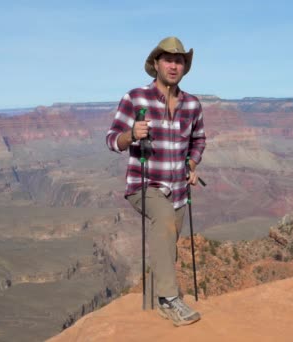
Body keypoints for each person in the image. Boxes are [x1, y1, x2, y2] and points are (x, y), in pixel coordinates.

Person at [105, 36, 206, 326]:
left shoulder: (192, 105)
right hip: (145, 184)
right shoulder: (135, 98)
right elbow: (111, 140)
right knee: (162, 223)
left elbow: (198, 140)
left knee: (168, 244)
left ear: (185, 66)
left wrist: (192, 163)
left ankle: (152, 301)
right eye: (168, 60)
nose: (174, 66)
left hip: (177, 189)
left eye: (179, 61)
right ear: (156, 64)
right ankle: (169, 300)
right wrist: (130, 135)